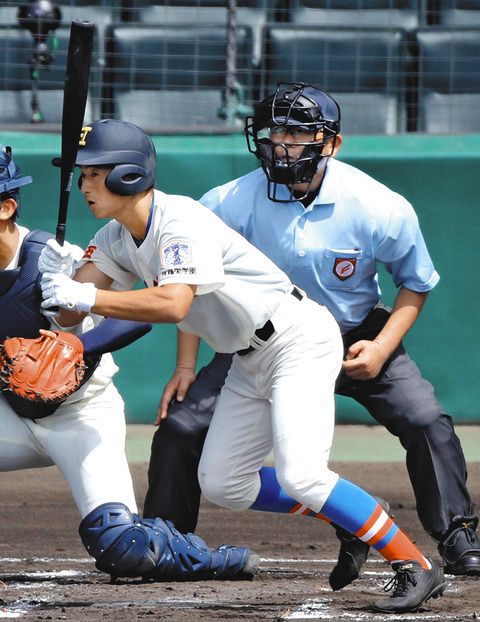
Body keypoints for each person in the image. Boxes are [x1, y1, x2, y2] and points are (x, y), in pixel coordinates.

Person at [39, 117, 447, 613]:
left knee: (302, 475)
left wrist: (84, 294)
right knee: (224, 484)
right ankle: (349, 514)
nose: (83, 184)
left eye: (93, 173)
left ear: (128, 175)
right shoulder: (116, 235)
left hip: (297, 338)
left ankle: (417, 566)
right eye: (81, 175)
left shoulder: (179, 220)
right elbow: (69, 311)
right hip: (247, 357)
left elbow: (172, 304)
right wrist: (58, 278)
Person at [143, 82, 480, 587]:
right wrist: (186, 366)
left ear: (332, 144)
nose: (283, 145)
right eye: (276, 131)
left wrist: (383, 346)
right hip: (258, 341)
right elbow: (189, 286)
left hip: (355, 335)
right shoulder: (225, 202)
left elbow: (415, 284)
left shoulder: (378, 205)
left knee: (426, 419)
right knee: (181, 426)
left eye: (299, 133)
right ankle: (165, 541)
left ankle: (458, 536)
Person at [0, 146, 259, 584]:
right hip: (14, 413)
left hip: (83, 414)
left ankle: (208, 558)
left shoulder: (50, 256)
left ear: (6, 207)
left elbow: (130, 323)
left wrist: (73, 345)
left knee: (121, 549)